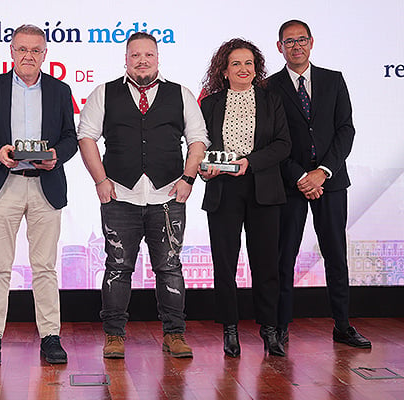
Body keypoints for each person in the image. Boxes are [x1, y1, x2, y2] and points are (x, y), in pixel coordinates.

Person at [77, 32, 207, 359]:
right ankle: (114, 335)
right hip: (120, 196)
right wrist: (100, 180)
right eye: (136, 55)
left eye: (148, 55)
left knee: (170, 267)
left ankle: (174, 334)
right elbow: (86, 137)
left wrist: (188, 178)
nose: (142, 61)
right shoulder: (103, 93)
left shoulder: (181, 95)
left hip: (168, 196)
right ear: (126, 58)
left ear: (158, 58)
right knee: (118, 268)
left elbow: (198, 139)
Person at [0, 24, 77, 366]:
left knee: (45, 267)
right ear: (11, 52)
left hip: (46, 186)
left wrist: (57, 155)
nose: (29, 56)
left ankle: (50, 337)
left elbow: (71, 138)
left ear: (45, 54)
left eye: (36, 50)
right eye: (22, 49)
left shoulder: (60, 90)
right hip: (4, 184)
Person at [266, 20, 371, 348]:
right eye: (289, 42)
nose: (296, 46)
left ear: (311, 42)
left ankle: (342, 325)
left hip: (331, 181)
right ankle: (280, 328)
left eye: (301, 40)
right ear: (279, 46)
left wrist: (323, 171)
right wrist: (300, 175)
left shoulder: (333, 80)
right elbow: (271, 140)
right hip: (289, 183)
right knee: (285, 257)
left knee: (336, 254)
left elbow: (346, 130)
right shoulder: (270, 87)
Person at [199, 38, 291, 357]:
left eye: (248, 63)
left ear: (256, 68)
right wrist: (205, 168)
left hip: (264, 188)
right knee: (224, 264)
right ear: (224, 71)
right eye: (235, 63)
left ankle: (269, 329)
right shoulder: (209, 104)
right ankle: (230, 329)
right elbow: (200, 146)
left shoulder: (271, 100)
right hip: (223, 189)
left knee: (266, 265)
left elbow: (283, 145)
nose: (243, 69)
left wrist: (250, 162)